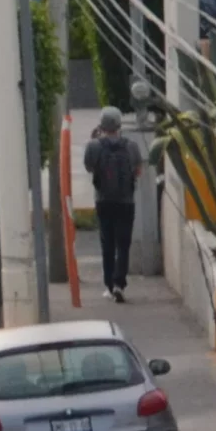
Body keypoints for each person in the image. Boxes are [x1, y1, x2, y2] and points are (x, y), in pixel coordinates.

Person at [85, 107, 143, 302]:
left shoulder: (94, 146)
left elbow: (89, 167)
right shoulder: (132, 146)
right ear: (119, 124)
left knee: (107, 243)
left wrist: (93, 139)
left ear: (101, 124)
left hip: (103, 201)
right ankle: (120, 283)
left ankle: (109, 286)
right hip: (126, 202)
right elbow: (137, 171)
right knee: (123, 244)